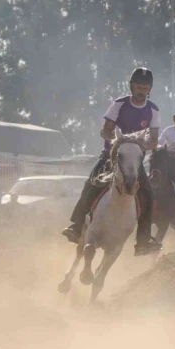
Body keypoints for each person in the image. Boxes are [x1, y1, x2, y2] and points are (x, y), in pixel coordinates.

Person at [61, 67, 162, 256]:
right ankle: (76, 225)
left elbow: (154, 140)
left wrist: (137, 143)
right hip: (111, 156)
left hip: (134, 160)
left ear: (150, 89)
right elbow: (105, 130)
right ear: (132, 86)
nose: (142, 91)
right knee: (90, 184)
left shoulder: (153, 110)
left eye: (146, 88)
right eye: (139, 86)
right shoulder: (119, 104)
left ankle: (143, 241)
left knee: (147, 193)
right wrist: (117, 140)